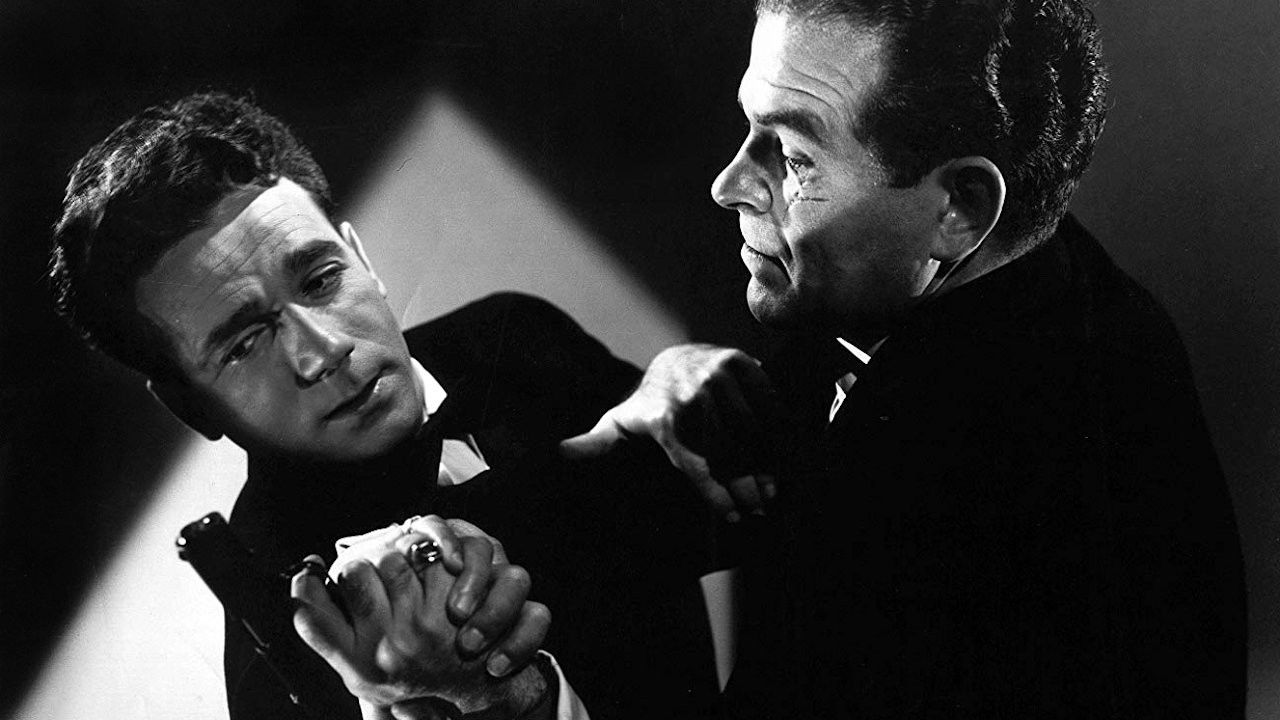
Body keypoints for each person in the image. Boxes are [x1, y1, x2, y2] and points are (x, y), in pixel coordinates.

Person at [558, 0, 1247, 717]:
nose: (728, 185)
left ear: (960, 208)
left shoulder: (949, 488)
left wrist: (538, 704)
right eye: (751, 129)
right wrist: (609, 441)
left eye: (793, 158)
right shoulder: (1033, 274)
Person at [48, 92, 717, 720]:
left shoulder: (515, 335)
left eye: (320, 280)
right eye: (244, 343)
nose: (322, 352)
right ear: (192, 408)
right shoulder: (280, 646)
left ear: (362, 258)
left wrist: (692, 388)